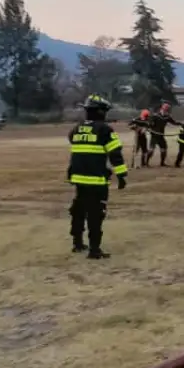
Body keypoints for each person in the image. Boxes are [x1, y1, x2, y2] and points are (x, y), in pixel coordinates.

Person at [67, 94, 128, 259]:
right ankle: (95, 249)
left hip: (78, 178)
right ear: (100, 112)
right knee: (95, 214)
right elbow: (115, 154)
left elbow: (72, 140)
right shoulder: (105, 129)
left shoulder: (77, 128)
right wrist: (122, 175)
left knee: (79, 210)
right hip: (96, 179)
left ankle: (77, 243)